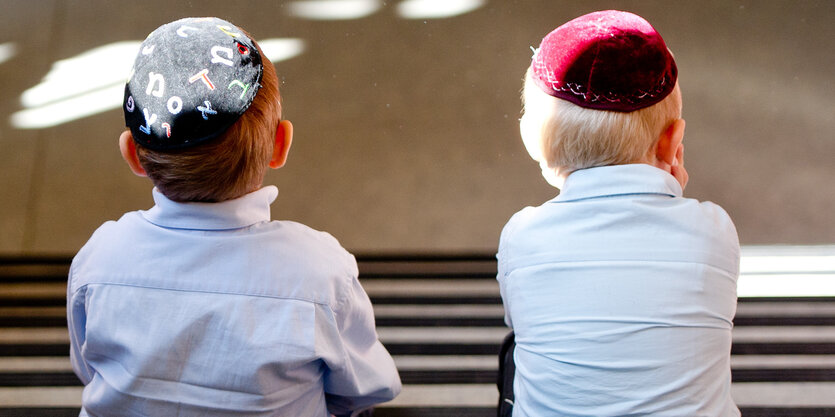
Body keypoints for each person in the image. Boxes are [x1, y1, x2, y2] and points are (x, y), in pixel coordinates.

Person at [67, 17, 400, 417]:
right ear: (280, 145)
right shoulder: (321, 273)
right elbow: (365, 388)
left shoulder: (99, 259)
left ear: (132, 154)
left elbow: (89, 368)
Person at [496, 10, 740, 416]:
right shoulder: (715, 229)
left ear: (531, 140)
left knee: (515, 351)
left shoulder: (522, 235)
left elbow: (521, 318)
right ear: (672, 141)